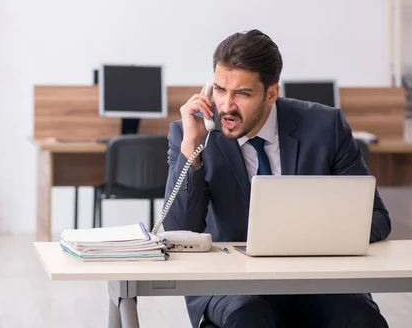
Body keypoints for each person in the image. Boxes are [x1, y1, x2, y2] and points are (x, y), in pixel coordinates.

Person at [162, 29, 391, 328]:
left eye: (242, 93)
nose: (226, 107)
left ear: (271, 93)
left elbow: (378, 218)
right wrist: (192, 150)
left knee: (361, 319)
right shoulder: (191, 133)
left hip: (315, 279)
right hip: (231, 285)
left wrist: (309, 237)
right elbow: (179, 231)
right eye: (219, 90)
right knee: (250, 319)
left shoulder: (326, 126)